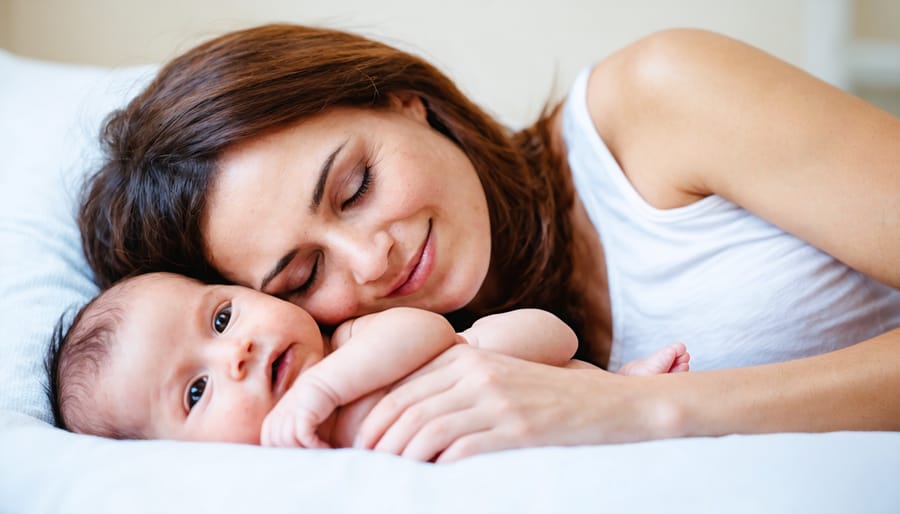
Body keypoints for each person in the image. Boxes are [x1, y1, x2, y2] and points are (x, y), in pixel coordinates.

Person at [76, 23, 900, 462]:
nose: (372, 262)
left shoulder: (658, 100)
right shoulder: (430, 376)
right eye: (301, 275)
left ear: (404, 102)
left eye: (356, 186)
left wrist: (640, 410)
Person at [47, 272, 689, 448]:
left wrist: (322, 389)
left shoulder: (347, 342)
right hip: (514, 443)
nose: (235, 352)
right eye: (195, 391)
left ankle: (620, 384)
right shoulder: (272, 468)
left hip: (531, 363)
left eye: (221, 318)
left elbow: (424, 331)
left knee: (509, 339)